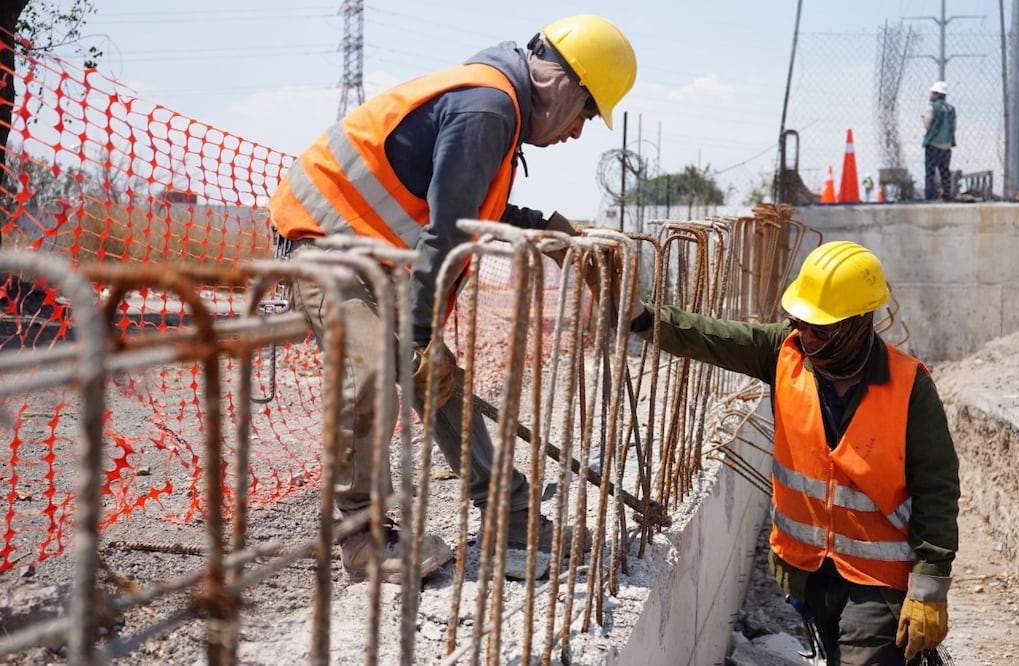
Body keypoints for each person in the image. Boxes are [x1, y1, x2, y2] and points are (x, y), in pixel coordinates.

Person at [267, 15, 636, 583]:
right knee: (373, 368)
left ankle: (510, 517)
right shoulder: (488, 108)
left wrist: (547, 231)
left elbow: (470, 206)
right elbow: (447, 233)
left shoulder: (498, 109)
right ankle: (362, 537)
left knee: (439, 381)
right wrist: (418, 340)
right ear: (565, 82)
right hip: (322, 241)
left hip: (373, 251)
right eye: (587, 113)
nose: (578, 132)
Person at [618, 241, 959, 664]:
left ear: (858, 323)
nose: (807, 336)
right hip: (809, 570)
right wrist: (641, 316)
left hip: (878, 579)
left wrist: (929, 587)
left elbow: (937, 488)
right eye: (800, 322)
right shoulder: (785, 351)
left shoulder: (910, 388)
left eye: (822, 329)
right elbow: (710, 336)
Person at [922, 81, 956, 201]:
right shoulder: (951, 109)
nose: (930, 94)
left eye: (932, 92)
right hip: (946, 145)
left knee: (930, 172)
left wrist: (923, 119)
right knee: (945, 172)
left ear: (937, 94)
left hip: (933, 143)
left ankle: (929, 196)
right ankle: (947, 195)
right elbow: (954, 127)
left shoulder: (931, 107)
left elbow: (927, 125)